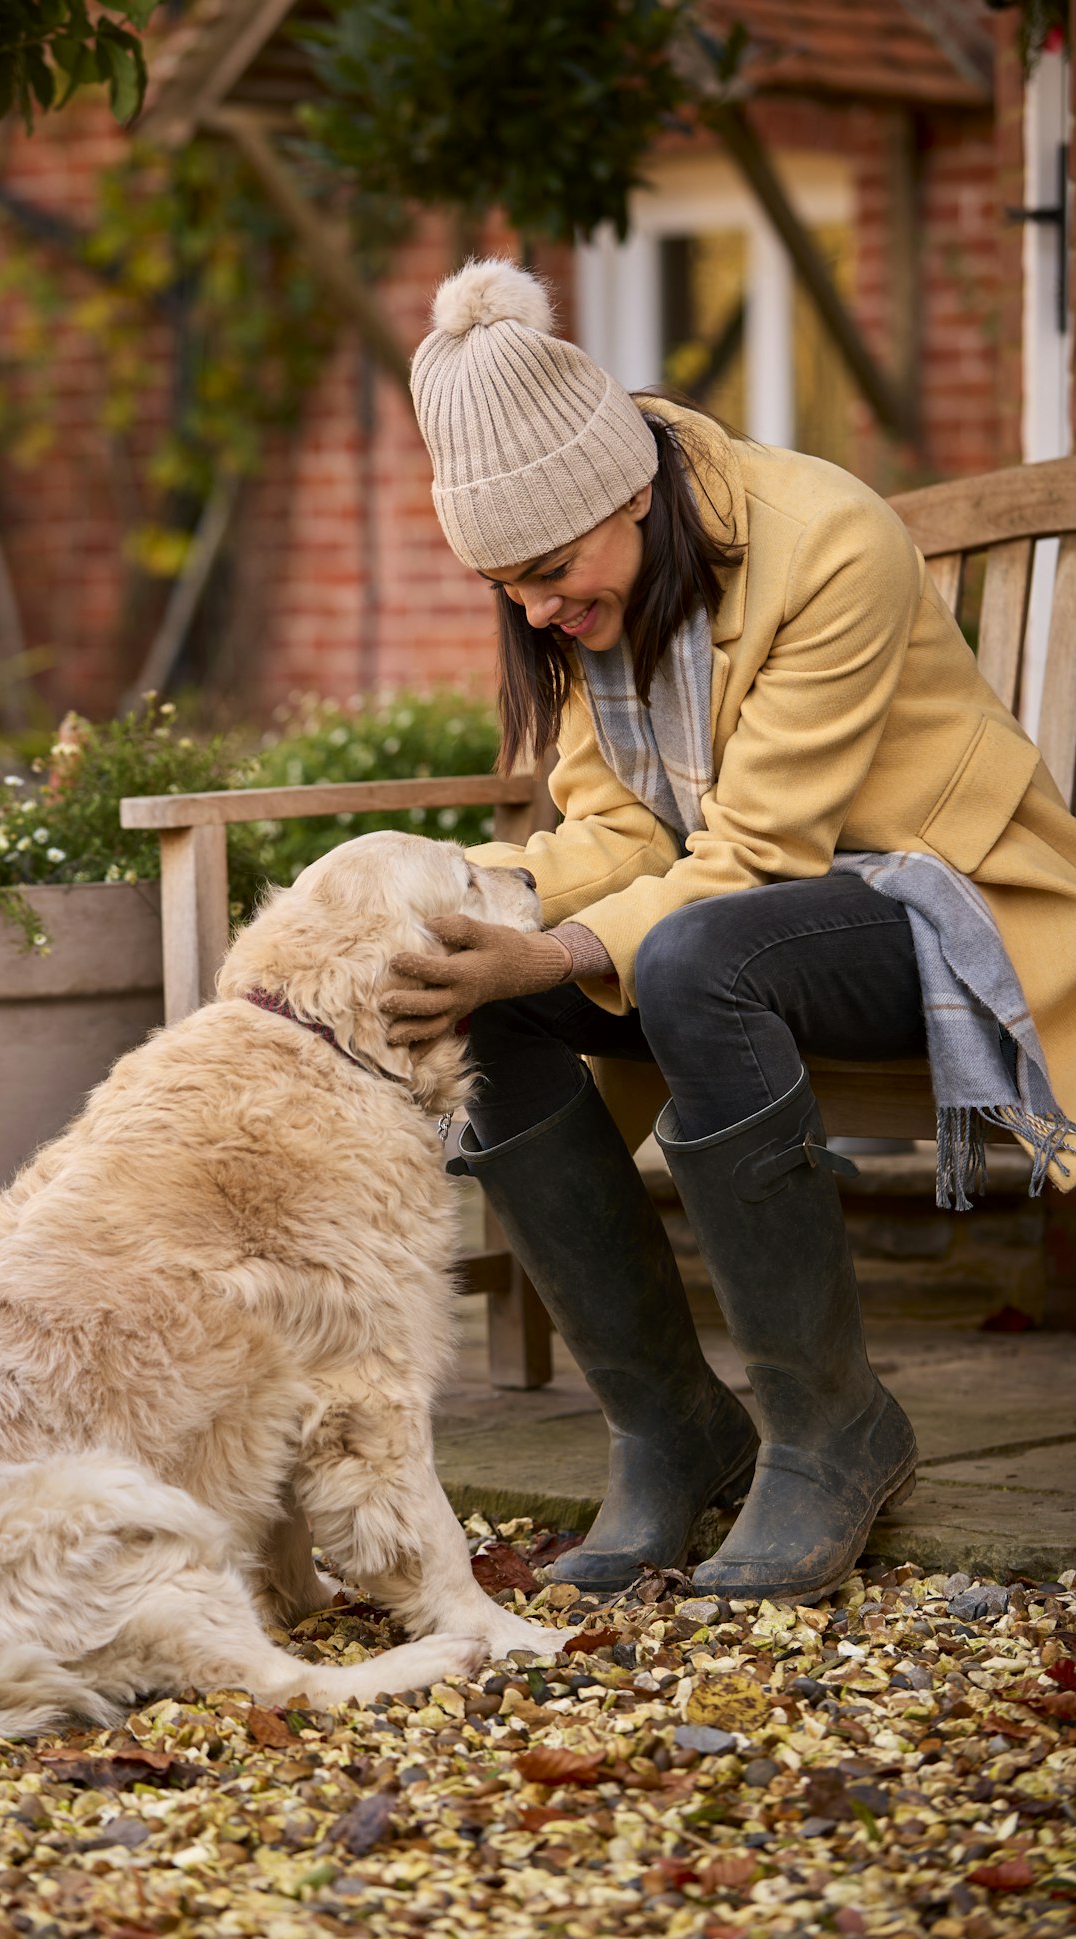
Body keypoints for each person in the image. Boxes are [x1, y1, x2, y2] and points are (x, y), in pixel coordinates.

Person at [384, 258, 1076, 1601]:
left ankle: (829, 1431)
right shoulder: (594, 587)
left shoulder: (826, 538)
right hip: (759, 922)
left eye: (547, 572)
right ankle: (669, 1428)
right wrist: (472, 907)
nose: (534, 611)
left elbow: (760, 853)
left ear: (626, 494)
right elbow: (619, 832)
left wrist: (562, 948)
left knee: (701, 958)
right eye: (504, 587)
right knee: (498, 988)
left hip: (946, 906)